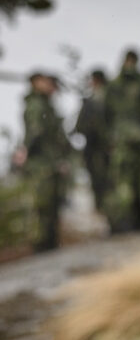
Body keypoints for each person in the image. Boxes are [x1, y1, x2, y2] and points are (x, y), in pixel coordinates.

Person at [103, 50, 140, 233]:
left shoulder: (114, 85)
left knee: (128, 181)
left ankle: (128, 223)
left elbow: (105, 116)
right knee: (139, 181)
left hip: (124, 139)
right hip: (136, 139)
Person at [21, 72, 72, 251]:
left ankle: (49, 242)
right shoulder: (36, 105)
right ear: (35, 83)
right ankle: (41, 244)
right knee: (41, 204)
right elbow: (35, 132)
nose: (48, 86)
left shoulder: (46, 105)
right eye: (43, 82)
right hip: (40, 164)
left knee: (51, 203)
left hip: (49, 162)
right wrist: (25, 150)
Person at [73, 69, 111, 212]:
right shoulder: (90, 100)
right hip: (94, 146)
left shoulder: (109, 98)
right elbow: (79, 126)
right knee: (98, 178)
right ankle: (102, 208)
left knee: (107, 179)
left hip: (106, 147)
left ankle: (108, 209)